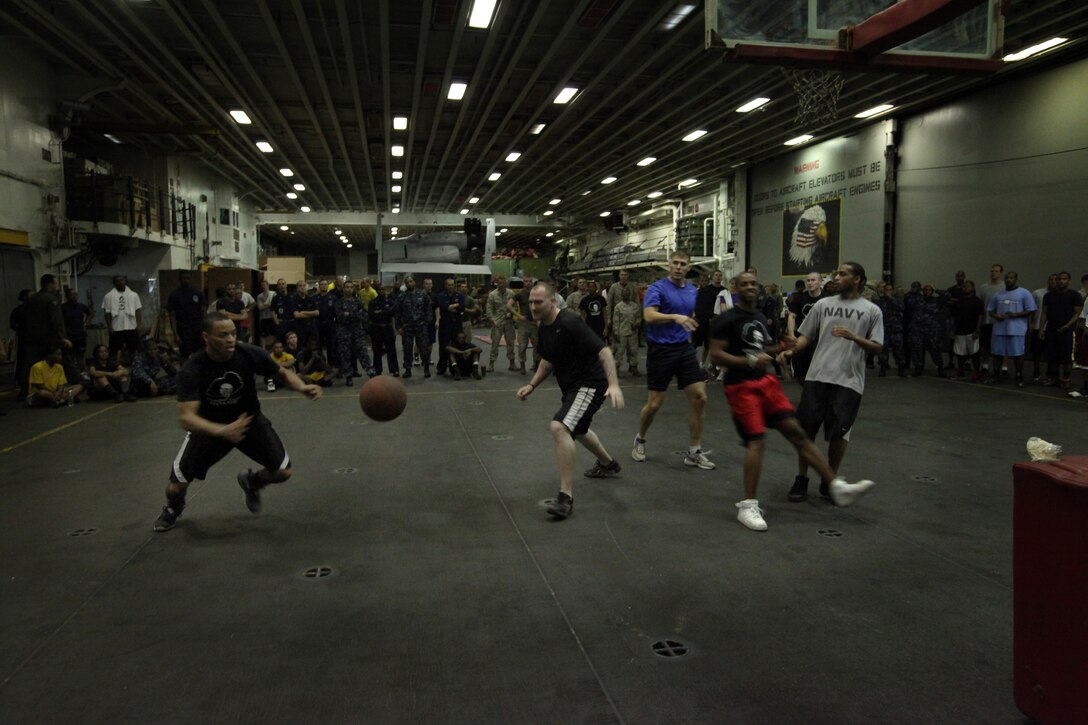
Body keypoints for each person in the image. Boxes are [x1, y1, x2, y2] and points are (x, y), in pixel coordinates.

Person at [710, 273, 875, 530]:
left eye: (754, 283)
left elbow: (761, 349)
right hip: (741, 388)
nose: (750, 287)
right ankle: (748, 505)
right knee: (756, 441)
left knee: (798, 433)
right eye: (744, 284)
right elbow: (717, 355)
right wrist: (750, 361)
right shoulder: (726, 319)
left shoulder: (759, 318)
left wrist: (781, 347)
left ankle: (835, 485)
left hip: (766, 384)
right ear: (735, 288)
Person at [153, 312, 322, 532]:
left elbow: (281, 373)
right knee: (176, 488)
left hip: (249, 422)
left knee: (282, 472)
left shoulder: (249, 353)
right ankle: (173, 509)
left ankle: (252, 482)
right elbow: (187, 418)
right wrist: (222, 430)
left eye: (233, 333)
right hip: (211, 429)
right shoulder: (193, 368)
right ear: (206, 337)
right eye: (223, 335)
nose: (231, 339)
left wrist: (301, 387)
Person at [517, 283, 624, 520]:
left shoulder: (569, 322)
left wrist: (614, 384)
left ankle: (565, 498)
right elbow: (547, 360)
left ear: (553, 301)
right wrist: (532, 385)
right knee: (579, 428)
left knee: (560, 426)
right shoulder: (544, 326)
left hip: (590, 383)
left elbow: (604, 352)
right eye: (531, 302)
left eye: (539, 302)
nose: (533, 306)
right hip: (572, 385)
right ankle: (608, 464)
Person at [779, 262, 884, 503]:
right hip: (817, 376)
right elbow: (806, 337)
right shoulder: (823, 305)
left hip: (849, 381)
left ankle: (831, 481)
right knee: (805, 431)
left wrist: (854, 337)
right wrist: (792, 350)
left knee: (839, 434)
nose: (836, 277)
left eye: (843, 274)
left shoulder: (871, 310)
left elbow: (877, 346)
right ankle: (801, 478)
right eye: (836, 273)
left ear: (857, 279)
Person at [633, 249, 714, 470]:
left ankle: (694, 452)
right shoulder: (657, 288)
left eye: (683, 264)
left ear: (688, 268)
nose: (678, 267)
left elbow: (694, 314)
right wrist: (675, 317)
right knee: (655, 404)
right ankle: (640, 438)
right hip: (660, 350)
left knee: (700, 398)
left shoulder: (692, 290)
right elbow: (649, 315)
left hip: (684, 349)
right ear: (669, 265)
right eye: (675, 263)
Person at [22, 275, 71, 396]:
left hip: (32, 338)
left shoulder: (32, 299)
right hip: (49, 338)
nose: (57, 286)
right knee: (58, 362)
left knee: (32, 364)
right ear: (50, 284)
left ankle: (26, 390)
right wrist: (62, 337)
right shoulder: (51, 299)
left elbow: (24, 319)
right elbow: (56, 320)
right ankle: (58, 389)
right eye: (55, 283)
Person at [988, 271, 1035, 387]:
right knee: (997, 353)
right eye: (1007, 278)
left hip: (1017, 329)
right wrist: (996, 316)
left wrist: (1016, 314)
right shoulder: (998, 294)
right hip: (999, 329)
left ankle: (1019, 376)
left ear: (1016, 279)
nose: (1009, 280)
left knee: (1017, 354)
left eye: (1012, 278)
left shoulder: (1024, 293)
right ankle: (996, 375)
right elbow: (990, 310)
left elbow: (1030, 310)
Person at [1038, 271, 1083, 389]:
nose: (1061, 281)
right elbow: (1045, 313)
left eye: (1064, 279)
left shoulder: (1075, 295)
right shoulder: (1049, 296)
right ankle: (1053, 378)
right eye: (1059, 279)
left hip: (1068, 331)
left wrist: (1068, 325)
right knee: (1052, 356)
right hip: (1052, 330)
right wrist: (1041, 328)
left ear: (1069, 281)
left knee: (1067, 357)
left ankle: (1066, 379)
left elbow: (1077, 313)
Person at [334, 280, 375, 386]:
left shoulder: (358, 301)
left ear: (353, 289)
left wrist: (349, 314)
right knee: (345, 355)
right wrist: (354, 315)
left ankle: (370, 373)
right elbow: (340, 317)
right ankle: (348, 376)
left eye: (351, 287)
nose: (349, 289)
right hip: (344, 333)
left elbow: (364, 316)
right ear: (343, 289)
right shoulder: (339, 302)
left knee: (363, 353)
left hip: (358, 333)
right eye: (347, 287)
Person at [786, 272, 825, 382]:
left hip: (820, 338)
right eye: (808, 280)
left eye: (813, 280)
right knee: (800, 371)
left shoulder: (827, 299)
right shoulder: (799, 298)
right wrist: (791, 334)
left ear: (820, 282)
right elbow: (792, 316)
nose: (810, 283)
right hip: (803, 335)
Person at [395, 275, 433, 379]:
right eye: (407, 282)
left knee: (423, 349)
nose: (409, 284)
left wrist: (426, 323)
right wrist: (398, 327)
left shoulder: (423, 295)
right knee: (407, 349)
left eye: (411, 281)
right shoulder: (401, 296)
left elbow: (429, 310)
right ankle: (408, 369)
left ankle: (426, 368)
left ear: (414, 283)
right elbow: (397, 313)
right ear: (405, 284)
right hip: (407, 328)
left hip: (421, 327)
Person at [906, 284, 947, 377]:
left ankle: (940, 368)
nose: (927, 292)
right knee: (917, 349)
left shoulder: (937, 301)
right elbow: (908, 297)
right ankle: (918, 368)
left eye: (929, 290)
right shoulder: (917, 300)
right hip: (917, 329)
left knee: (935, 349)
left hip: (931, 330)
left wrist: (936, 289)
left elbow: (947, 295)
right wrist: (918, 289)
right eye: (925, 290)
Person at [168, 271, 208, 360]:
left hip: (198, 329)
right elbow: (172, 315)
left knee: (201, 354)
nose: (186, 280)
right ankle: (185, 373)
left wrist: (204, 329)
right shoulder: (174, 295)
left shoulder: (198, 293)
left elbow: (204, 311)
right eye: (184, 278)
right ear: (180, 280)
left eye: (188, 278)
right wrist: (175, 334)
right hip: (183, 330)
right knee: (184, 355)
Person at [950, 281, 985, 378]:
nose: (966, 288)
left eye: (968, 286)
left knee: (975, 354)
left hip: (972, 331)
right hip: (960, 331)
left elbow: (980, 316)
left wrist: (977, 330)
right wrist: (952, 329)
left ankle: (976, 373)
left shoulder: (977, 301)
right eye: (964, 286)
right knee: (960, 353)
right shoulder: (958, 301)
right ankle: (960, 372)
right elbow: (953, 316)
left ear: (973, 288)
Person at [102, 275, 142, 358]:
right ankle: (117, 366)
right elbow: (107, 313)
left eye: (122, 280)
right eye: (117, 280)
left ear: (125, 281)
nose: (120, 282)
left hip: (131, 326)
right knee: (115, 349)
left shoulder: (134, 295)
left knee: (133, 348)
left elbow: (137, 310)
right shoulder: (108, 296)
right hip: (116, 328)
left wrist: (138, 325)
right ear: (114, 283)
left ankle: (134, 366)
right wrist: (110, 328)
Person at [693, 270, 725, 371]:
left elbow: (717, 307)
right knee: (695, 343)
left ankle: (707, 363)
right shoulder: (700, 292)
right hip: (699, 320)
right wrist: (694, 316)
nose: (718, 277)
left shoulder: (720, 291)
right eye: (716, 275)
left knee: (709, 344)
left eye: (720, 275)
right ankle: (693, 363)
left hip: (713, 321)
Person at [977, 263, 1005, 378]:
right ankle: (985, 366)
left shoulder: (1004, 287)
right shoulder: (984, 287)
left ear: (1001, 273)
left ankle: (1004, 367)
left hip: (1000, 322)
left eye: (996, 271)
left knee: (1001, 346)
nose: (994, 273)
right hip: (987, 322)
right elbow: (981, 306)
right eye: (992, 271)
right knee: (986, 345)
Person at [509, 277, 540, 374]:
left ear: (532, 283)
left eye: (530, 281)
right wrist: (518, 315)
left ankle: (536, 365)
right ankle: (522, 365)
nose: (528, 283)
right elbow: (509, 305)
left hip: (535, 323)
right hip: (524, 324)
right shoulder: (520, 294)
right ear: (523, 283)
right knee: (522, 346)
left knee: (537, 346)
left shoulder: (537, 294)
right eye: (526, 281)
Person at [485, 275, 516, 372]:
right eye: (499, 283)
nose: (501, 285)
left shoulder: (511, 293)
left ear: (506, 283)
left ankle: (512, 363)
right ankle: (491, 363)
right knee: (495, 343)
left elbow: (515, 306)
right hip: (497, 322)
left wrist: (511, 312)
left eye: (503, 283)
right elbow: (489, 310)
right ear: (496, 284)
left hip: (509, 322)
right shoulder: (492, 295)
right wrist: (493, 321)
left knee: (511, 343)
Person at [875, 283, 907, 377]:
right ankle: (883, 368)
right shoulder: (880, 302)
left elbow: (902, 308)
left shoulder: (898, 301)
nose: (888, 292)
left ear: (893, 291)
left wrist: (891, 299)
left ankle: (901, 368)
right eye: (886, 290)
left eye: (890, 290)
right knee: (883, 350)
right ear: (883, 291)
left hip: (896, 329)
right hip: (884, 329)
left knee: (899, 350)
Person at [436, 278, 465, 377]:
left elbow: (462, 307)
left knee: (457, 346)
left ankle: (455, 368)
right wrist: (451, 306)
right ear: (445, 285)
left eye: (452, 285)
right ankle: (442, 367)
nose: (451, 286)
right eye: (449, 285)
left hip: (456, 325)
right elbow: (442, 306)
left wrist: (449, 307)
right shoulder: (440, 296)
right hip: (445, 325)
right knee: (443, 347)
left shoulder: (460, 295)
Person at [369, 285, 400, 377]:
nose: (381, 291)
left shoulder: (390, 302)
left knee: (391, 350)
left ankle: (394, 370)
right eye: (379, 289)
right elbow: (371, 314)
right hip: (376, 328)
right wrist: (385, 312)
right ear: (377, 291)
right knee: (377, 350)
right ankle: (377, 369)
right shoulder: (373, 302)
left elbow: (392, 312)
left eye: (383, 289)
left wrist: (379, 312)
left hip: (387, 327)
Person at [610, 286, 642, 376]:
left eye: (628, 292)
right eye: (624, 293)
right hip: (621, 333)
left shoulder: (635, 306)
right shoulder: (618, 307)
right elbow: (616, 321)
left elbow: (639, 318)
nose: (626, 294)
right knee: (619, 352)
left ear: (630, 294)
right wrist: (616, 333)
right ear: (622, 294)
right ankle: (616, 369)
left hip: (633, 333)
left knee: (633, 351)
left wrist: (637, 323)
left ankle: (634, 367)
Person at [61, 287, 93, 376]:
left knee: (81, 355)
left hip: (80, 334)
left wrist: (86, 323)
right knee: (69, 356)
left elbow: (90, 313)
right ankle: (71, 375)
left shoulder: (81, 306)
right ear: (67, 296)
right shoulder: (63, 307)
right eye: (71, 295)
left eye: (75, 294)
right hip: (69, 335)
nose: (74, 296)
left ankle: (83, 373)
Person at [10, 288, 32, 398]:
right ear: (24, 297)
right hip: (25, 339)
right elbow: (13, 324)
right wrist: (22, 330)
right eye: (30, 295)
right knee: (23, 362)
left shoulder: (35, 309)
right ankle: (23, 386)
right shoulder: (19, 310)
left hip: (32, 338)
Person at [291, 280, 320, 347]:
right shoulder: (293, 300)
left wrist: (303, 312)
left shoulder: (311, 299)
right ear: (297, 288)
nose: (302, 287)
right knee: (302, 348)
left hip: (311, 328)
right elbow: (297, 315)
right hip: (300, 328)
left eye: (304, 285)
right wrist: (311, 314)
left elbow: (317, 313)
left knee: (313, 348)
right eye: (300, 286)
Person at [255, 278, 277, 350]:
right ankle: (263, 349)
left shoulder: (273, 293)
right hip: (263, 318)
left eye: (265, 285)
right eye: (262, 285)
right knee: (263, 335)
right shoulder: (259, 296)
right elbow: (260, 307)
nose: (263, 286)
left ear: (268, 285)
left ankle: (274, 348)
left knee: (274, 333)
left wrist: (264, 304)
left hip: (272, 317)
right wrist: (268, 304)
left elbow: (274, 305)